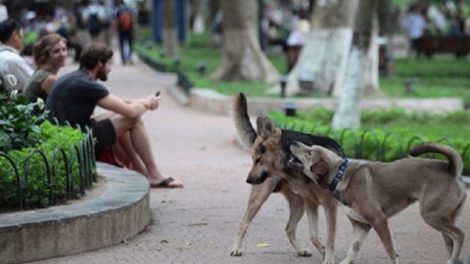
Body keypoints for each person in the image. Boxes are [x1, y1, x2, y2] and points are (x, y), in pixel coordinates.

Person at [44, 43, 183, 188]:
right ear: (99, 64)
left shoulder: (75, 78)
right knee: (133, 120)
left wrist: (141, 101)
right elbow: (131, 112)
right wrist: (148, 103)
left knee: (117, 115)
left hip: (66, 135)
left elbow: (117, 103)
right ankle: (152, 173)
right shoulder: (88, 85)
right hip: (77, 142)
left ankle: (139, 170)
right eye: (108, 64)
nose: (110, 69)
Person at [23, 33, 67, 104]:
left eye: (64, 49)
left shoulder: (41, 71)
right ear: (46, 56)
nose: (62, 54)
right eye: (56, 51)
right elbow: (65, 104)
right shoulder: (49, 79)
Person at [0, 19, 34, 92]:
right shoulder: (13, 59)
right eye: (22, 35)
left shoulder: (3, 56)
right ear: (15, 36)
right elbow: (34, 84)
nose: (22, 39)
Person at [114, 0, 135, 65]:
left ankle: (123, 60)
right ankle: (130, 58)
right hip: (129, 30)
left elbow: (116, 21)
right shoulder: (130, 10)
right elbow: (133, 20)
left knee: (122, 44)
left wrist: (115, 29)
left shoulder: (119, 10)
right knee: (130, 44)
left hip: (121, 30)